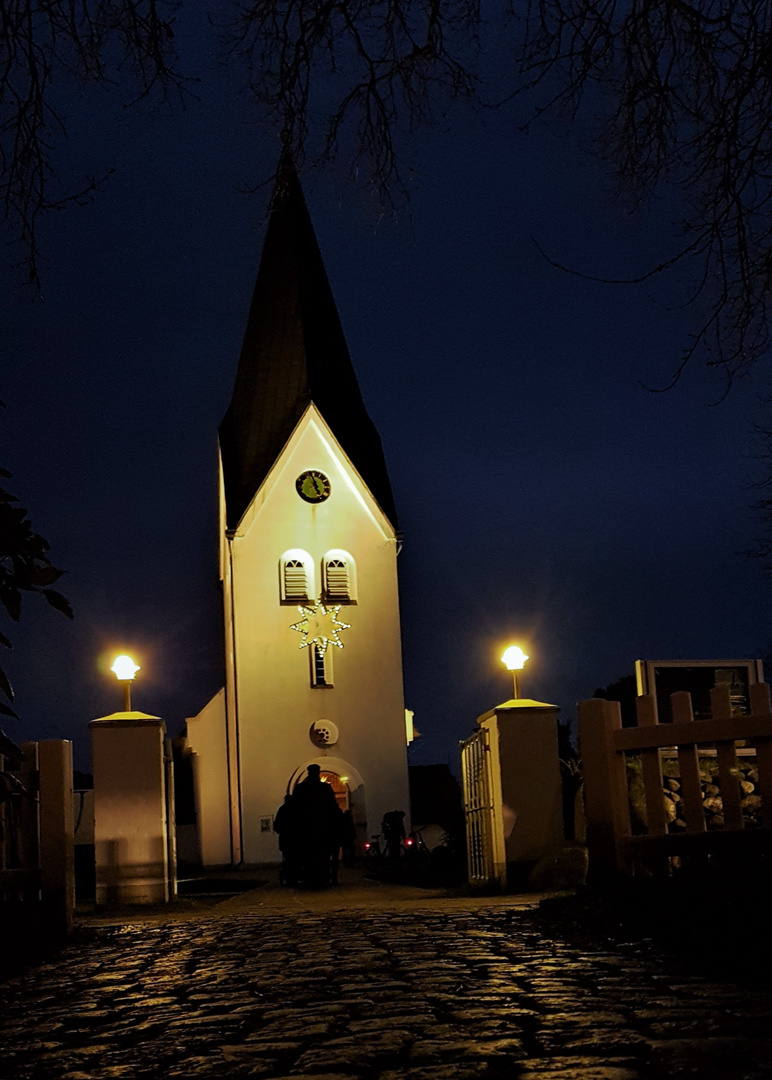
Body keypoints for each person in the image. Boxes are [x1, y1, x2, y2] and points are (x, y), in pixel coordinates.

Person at [292, 764, 342, 886]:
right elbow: (332, 807)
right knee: (323, 855)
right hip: (322, 828)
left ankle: (310, 876)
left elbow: (295, 809)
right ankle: (322, 876)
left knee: (308, 855)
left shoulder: (301, 788)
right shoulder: (325, 788)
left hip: (307, 829)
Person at [273, 793, 300, 886]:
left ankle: (289, 877)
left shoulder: (282, 810)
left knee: (287, 859)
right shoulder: (296, 810)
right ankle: (294, 877)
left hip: (285, 840)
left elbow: (277, 825)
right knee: (295, 859)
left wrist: (282, 831)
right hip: (295, 839)